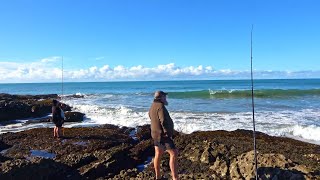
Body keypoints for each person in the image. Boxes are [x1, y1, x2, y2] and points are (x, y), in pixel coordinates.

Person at [149, 91, 178, 180]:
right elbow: (164, 120)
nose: (166, 99)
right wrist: (167, 133)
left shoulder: (152, 106)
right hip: (163, 135)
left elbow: (150, 116)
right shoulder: (160, 106)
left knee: (158, 153)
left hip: (155, 134)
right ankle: (175, 178)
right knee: (174, 153)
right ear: (161, 98)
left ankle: (158, 177)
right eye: (164, 97)